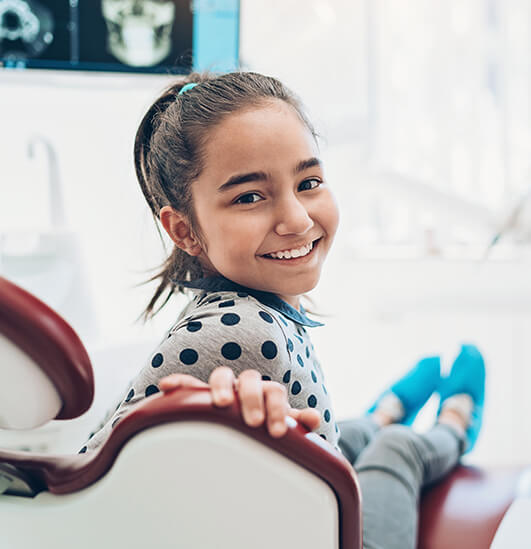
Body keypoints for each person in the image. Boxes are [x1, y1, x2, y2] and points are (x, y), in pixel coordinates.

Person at [83, 72, 486, 549]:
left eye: (309, 181)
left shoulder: (247, 309)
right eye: (249, 196)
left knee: (342, 438)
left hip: (285, 504)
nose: (297, 219)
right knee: (399, 451)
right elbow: (92, 486)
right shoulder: (248, 336)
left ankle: (379, 418)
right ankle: (454, 425)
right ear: (185, 230)